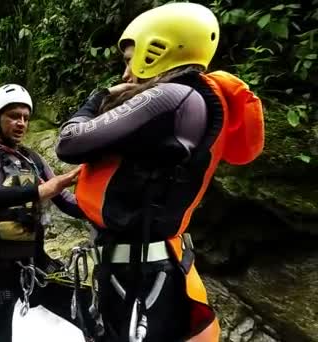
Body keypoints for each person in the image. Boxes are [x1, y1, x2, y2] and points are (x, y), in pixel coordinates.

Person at [55, 2, 264, 342]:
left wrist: (98, 97)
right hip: (144, 267)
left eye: (128, 61)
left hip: (141, 275)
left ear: (158, 49)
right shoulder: (187, 99)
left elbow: (70, 141)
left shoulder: (171, 98)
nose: (125, 75)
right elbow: (132, 193)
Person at [0, 83, 97, 342]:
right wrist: (36, 192)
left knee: (92, 317)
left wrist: (108, 211)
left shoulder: (34, 161)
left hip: (34, 263)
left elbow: (65, 201)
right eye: (13, 117)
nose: (21, 123)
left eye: (26, 118)